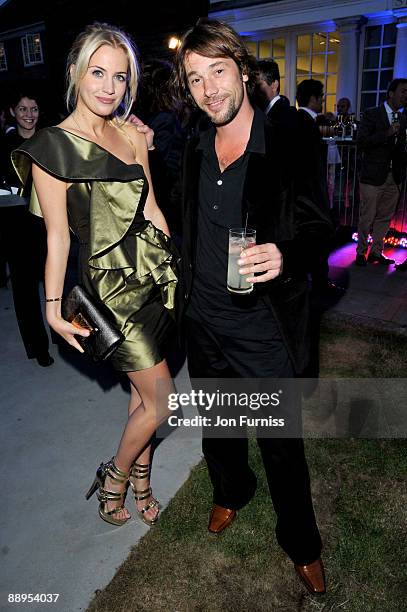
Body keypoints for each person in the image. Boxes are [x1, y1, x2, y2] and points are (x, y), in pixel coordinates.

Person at [173, 19, 326, 594]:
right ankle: (232, 491)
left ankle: (302, 543)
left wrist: (286, 254)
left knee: (281, 444)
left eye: (218, 71)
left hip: (262, 326)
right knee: (219, 425)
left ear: (243, 70)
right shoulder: (191, 147)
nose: (209, 88)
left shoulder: (289, 141)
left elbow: (323, 228)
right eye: (195, 79)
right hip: (203, 321)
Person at [12, 23, 178, 527]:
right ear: (75, 74)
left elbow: (150, 205)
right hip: (106, 289)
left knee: (141, 395)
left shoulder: (132, 132)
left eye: (120, 77)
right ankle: (115, 475)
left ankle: (142, 479)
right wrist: (52, 309)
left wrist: (172, 268)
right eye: (97, 72)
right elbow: (58, 238)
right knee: (164, 400)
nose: (108, 86)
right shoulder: (53, 146)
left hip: (151, 276)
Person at [0, 88, 53, 366]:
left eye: (33, 109)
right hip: (17, 228)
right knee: (25, 291)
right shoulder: (4, 146)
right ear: (12, 112)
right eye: (23, 109)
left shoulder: (49, 141)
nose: (29, 115)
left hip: (51, 224)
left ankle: (67, 338)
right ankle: (38, 346)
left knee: (61, 286)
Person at [355, 78, 407, 266]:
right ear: (391, 93)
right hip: (372, 176)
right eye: (403, 91)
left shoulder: (403, 119)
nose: (406, 96)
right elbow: (362, 141)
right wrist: (386, 133)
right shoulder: (372, 114)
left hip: (395, 178)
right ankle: (360, 253)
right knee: (367, 216)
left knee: (385, 217)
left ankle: (377, 252)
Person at [295, 79, 337, 294]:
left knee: (313, 242)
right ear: (312, 99)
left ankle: (317, 280)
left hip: (307, 196)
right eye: (321, 97)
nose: (322, 101)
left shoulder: (308, 121)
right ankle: (319, 283)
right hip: (309, 196)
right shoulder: (304, 122)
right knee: (317, 241)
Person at [254, 59, 295, 129]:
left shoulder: (284, 117)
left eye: (258, 85)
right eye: (252, 85)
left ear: (274, 85)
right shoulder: (262, 113)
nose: (253, 90)